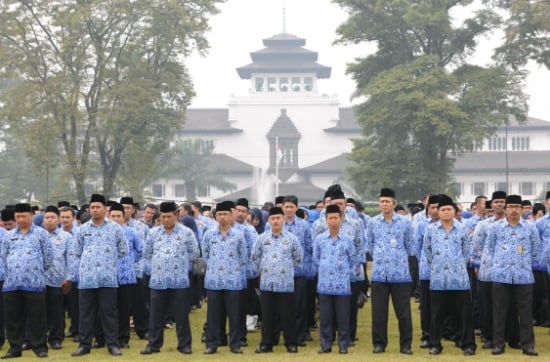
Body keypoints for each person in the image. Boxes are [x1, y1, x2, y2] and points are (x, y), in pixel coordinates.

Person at [140, 201, 200, 355]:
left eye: (169, 216)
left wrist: (179, 261)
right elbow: (147, 253)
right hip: (158, 281)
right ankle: (153, 345)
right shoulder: (154, 233)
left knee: (181, 316)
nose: (166, 220)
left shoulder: (186, 233)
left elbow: (194, 253)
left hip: (179, 281)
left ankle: (184, 345)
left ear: (177, 215)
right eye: (163, 217)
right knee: (155, 316)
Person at [72, 194, 128, 357]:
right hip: (87, 279)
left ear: (105, 209)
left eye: (98, 207)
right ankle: (84, 345)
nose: (95, 210)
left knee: (109, 313)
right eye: (92, 207)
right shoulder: (82, 229)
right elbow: (76, 251)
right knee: (86, 314)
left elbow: (124, 249)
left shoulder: (115, 228)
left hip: (108, 278)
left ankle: (113, 345)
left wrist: (108, 259)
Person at [485, 195, 541, 356]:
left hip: (523, 276)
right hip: (501, 275)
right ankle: (498, 344)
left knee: (525, 313)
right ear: (506, 209)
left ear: (522, 209)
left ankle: (528, 345)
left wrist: (524, 263)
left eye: (517, 206)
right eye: (511, 206)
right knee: (499, 311)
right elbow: (489, 248)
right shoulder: (496, 227)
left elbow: (536, 250)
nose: (514, 210)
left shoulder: (530, 227)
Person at [423, 195, 476, 356]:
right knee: (437, 313)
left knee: (464, 314)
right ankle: (435, 344)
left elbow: (467, 252)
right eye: (443, 210)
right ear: (438, 212)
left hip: (459, 278)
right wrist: (439, 264)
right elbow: (428, 251)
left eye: (449, 209)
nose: (446, 212)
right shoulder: (431, 229)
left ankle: (467, 344)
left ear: (454, 211)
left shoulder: (462, 229)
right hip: (439, 278)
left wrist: (456, 263)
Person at [366, 188, 415, 355]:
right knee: (379, 313)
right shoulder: (373, 222)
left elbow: (410, 245)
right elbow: (370, 245)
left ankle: (406, 345)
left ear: (394, 203)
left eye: (387, 201)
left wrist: (397, 258)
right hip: (379, 274)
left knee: (403, 313)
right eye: (381, 202)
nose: (384, 204)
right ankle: (379, 344)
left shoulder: (405, 222)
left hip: (400, 274)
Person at [1, 203, 53, 359]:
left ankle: (40, 347)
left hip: (34, 283)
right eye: (18, 217)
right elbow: (4, 256)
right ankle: (15, 347)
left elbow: (48, 258)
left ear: (31, 216)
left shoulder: (41, 234)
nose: (21, 219)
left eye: (24, 216)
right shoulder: (9, 235)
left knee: (37, 317)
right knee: (13, 318)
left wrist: (34, 271)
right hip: (11, 284)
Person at [251, 207, 302, 354]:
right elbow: (255, 256)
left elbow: (298, 258)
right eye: (272, 218)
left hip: (285, 283)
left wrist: (284, 267)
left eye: (278, 218)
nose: (275, 221)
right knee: (267, 316)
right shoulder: (261, 238)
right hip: (267, 283)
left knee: (288, 315)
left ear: (283, 219)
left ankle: (291, 343)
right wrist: (266, 268)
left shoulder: (291, 239)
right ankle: (266, 344)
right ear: (269, 220)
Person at [203, 201, 247, 354]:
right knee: (213, 315)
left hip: (233, 281)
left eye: (225, 214)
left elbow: (243, 257)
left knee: (234, 315)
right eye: (219, 214)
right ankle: (212, 344)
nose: (222, 217)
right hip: (213, 281)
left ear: (231, 216)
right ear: (215, 217)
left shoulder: (238, 235)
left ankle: (235, 344)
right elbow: (205, 255)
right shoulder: (209, 234)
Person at [313, 204, 355, 354]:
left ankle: (343, 345)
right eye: (330, 218)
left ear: (341, 219)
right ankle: (325, 345)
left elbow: (353, 259)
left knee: (343, 317)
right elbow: (316, 259)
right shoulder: (319, 239)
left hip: (342, 284)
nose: (333, 221)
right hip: (324, 284)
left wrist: (343, 272)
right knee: (325, 318)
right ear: (326, 220)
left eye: (335, 218)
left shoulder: (347, 239)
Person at [42, 206, 75, 350]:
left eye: (52, 217)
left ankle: (56, 338)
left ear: (58, 220)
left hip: (58, 280)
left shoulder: (66, 237)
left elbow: (71, 259)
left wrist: (69, 278)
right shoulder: (38, 235)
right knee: (38, 311)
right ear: (43, 220)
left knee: (57, 311)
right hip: (39, 281)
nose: (49, 220)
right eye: (47, 218)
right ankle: (37, 338)